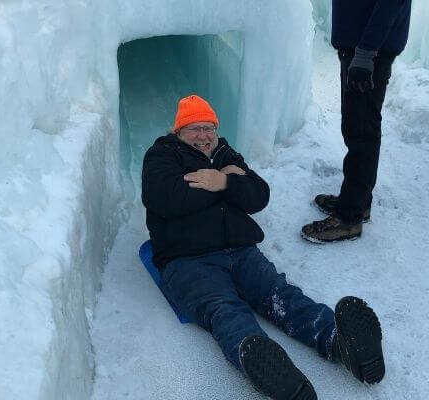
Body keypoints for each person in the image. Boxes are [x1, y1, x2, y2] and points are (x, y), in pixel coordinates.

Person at [142, 95, 385, 400]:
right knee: (224, 309)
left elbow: (258, 196)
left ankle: (338, 341)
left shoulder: (226, 154)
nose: (204, 137)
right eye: (195, 129)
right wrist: (228, 185)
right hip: (189, 259)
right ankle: (264, 363)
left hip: (241, 250)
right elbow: (167, 199)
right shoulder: (162, 156)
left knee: (280, 295)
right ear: (178, 131)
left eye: (209, 129)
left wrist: (222, 183)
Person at [301, 0, 413, 243]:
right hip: (360, 47)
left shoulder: (367, 52)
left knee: (361, 131)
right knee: (356, 126)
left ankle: (348, 218)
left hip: (369, 51)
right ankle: (357, 201)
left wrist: (365, 53)